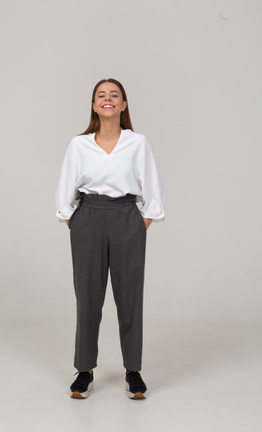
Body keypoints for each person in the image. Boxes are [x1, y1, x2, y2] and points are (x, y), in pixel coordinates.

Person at [55, 78, 165, 400]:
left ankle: (133, 370)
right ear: (93, 105)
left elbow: (153, 190)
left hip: (126, 216)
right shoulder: (80, 145)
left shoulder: (138, 143)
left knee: (129, 297)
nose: (107, 99)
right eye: (101, 95)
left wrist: (138, 223)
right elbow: (65, 190)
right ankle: (84, 369)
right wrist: (75, 222)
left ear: (123, 105)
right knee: (88, 298)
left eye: (114, 95)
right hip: (88, 216)